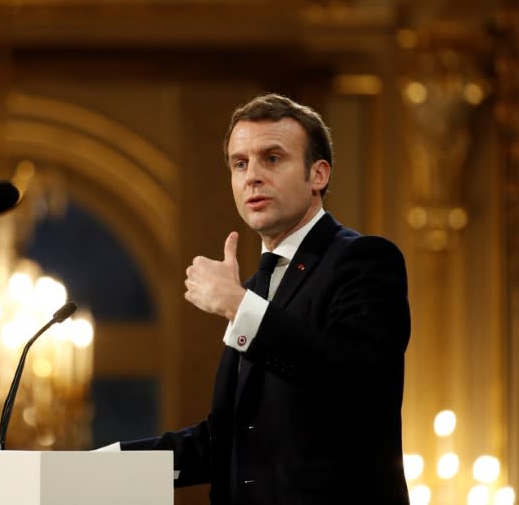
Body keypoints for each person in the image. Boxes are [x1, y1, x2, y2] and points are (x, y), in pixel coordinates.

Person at [121, 94, 411, 504]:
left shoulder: (364, 260)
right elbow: (229, 437)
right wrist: (108, 465)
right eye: (240, 163)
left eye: (272, 158)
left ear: (318, 175)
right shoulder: (258, 285)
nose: (251, 176)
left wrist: (238, 306)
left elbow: (354, 377)